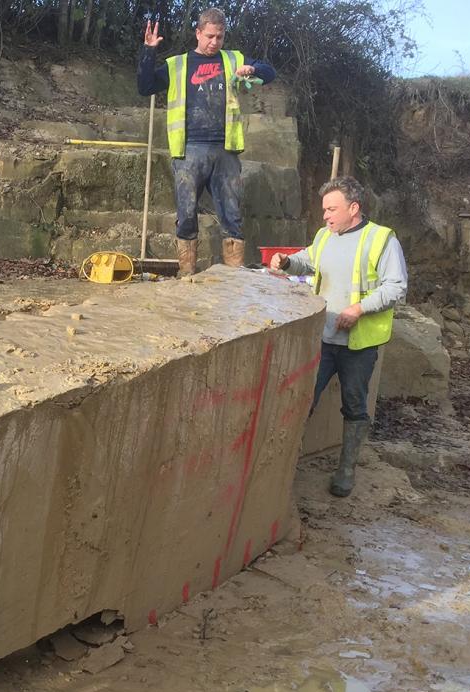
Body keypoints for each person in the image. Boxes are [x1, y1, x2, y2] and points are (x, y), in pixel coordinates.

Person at [268, 176, 408, 498]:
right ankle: (284, 466)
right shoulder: (325, 236)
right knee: (304, 399)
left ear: (353, 208)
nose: (325, 216)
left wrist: (359, 309)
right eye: (324, 210)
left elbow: (396, 287)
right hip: (323, 338)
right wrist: (288, 261)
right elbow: (310, 258)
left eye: (331, 209)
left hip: (358, 344)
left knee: (355, 404)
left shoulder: (381, 240)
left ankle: (346, 469)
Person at [137, 8, 275, 275]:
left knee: (232, 217)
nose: (214, 42)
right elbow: (144, 86)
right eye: (210, 36)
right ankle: (187, 274)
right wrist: (149, 51)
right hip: (189, 151)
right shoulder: (178, 64)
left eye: (220, 37)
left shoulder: (233, 59)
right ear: (198, 33)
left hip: (225, 151)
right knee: (186, 216)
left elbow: (269, 73)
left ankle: (233, 276)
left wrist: (253, 68)